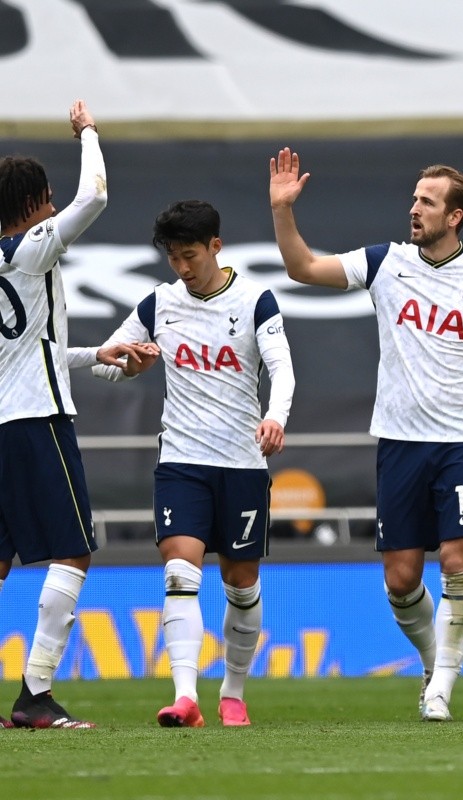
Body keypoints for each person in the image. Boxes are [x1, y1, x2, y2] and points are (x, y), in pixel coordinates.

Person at [269, 148, 463, 721]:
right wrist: (284, 212)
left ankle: (441, 690)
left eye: (427, 202)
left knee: (459, 561)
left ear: (454, 216)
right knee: (401, 577)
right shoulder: (386, 262)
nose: (414, 209)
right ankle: (435, 661)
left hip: (462, 442)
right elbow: (302, 268)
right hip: (400, 444)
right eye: (414, 198)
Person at [99, 200, 295, 727]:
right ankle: (185, 697)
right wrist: (127, 366)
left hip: (242, 464)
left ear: (215, 246)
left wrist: (274, 416)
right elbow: (109, 361)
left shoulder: (256, 300)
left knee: (242, 581)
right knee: (180, 570)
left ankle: (233, 692)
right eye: (173, 258)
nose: (182, 268)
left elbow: (282, 370)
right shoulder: (159, 304)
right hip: (182, 460)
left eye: (190, 255)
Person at [0, 100, 155, 729]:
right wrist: (88, 132)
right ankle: (35, 694)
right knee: (73, 550)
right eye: (47, 197)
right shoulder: (29, 250)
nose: (55, 203)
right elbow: (94, 196)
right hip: (36, 421)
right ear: (35, 204)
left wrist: (99, 354)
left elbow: (29, 350)